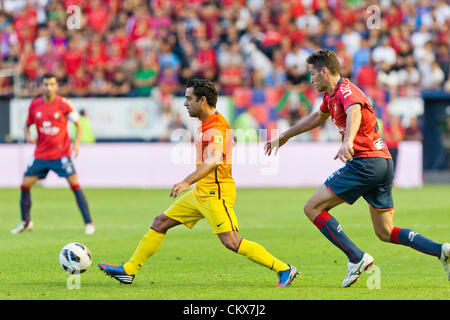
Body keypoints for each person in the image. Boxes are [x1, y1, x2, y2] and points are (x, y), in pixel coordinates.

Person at [264, 49, 449, 287]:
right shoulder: (330, 97)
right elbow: (317, 118)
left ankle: (356, 258)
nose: (310, 80)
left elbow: (355, 111)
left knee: (312, 208)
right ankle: (441, 250)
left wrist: (348, 141)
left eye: (312, 74)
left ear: (324, 71)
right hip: (382, 163)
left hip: (365, 162)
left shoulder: (347, 91)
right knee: (385, 231)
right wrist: (286, 135)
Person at [98, 79, 298, 287]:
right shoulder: (210, 123)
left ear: (202, 100)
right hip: (201, 191)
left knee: (231, 242)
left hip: (216, 193)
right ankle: (129, 270)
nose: (185, 103)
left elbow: (213, 160)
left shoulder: (216, 126)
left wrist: (186, 181)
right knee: (160, 223)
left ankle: (284, 269)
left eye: (188, 99)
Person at [11, 73, 95, 235]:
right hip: (41, 155)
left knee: (75, 185)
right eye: (46, 84)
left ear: (56, 86)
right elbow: (27, 125)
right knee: (25, 184)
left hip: (61, 154)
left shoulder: (64, 104)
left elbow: (78, 124)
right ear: (41, 86)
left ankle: (89, 222)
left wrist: (76, 143)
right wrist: (28, 135)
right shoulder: (34, 105)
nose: (48, 87)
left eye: (51, 84)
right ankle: (25, 222)